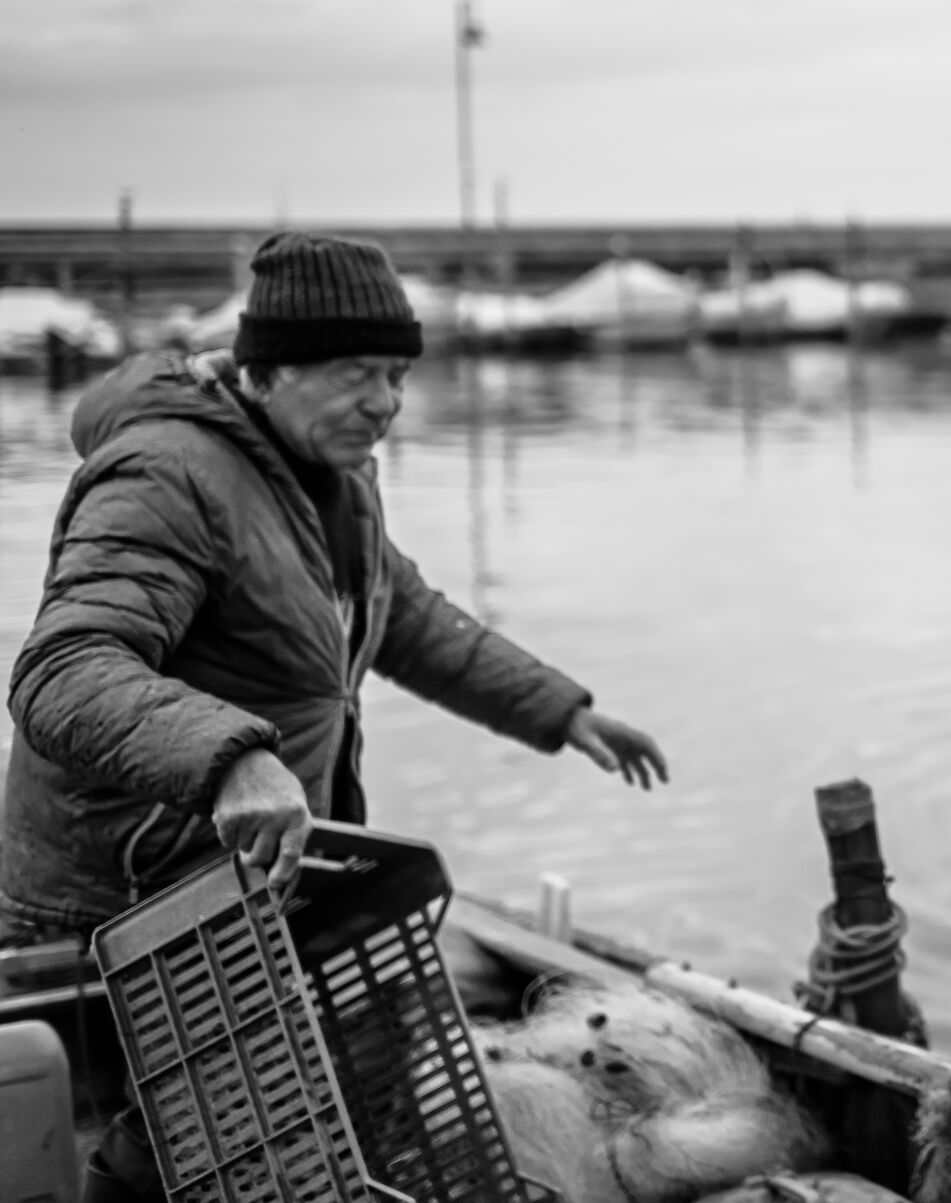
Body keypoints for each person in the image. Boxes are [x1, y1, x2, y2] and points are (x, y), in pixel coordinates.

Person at [0, 230, 667, 1202]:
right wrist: (232, 759)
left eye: (397, 373)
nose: (386, 401)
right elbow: (64, 669)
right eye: (358, 372)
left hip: (237, 885)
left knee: (286, 1124)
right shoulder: (166, 473)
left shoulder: (336, 474)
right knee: (182, 1140)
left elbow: (405, 614)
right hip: (116, 900)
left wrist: (560, 709)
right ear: (267, 368)